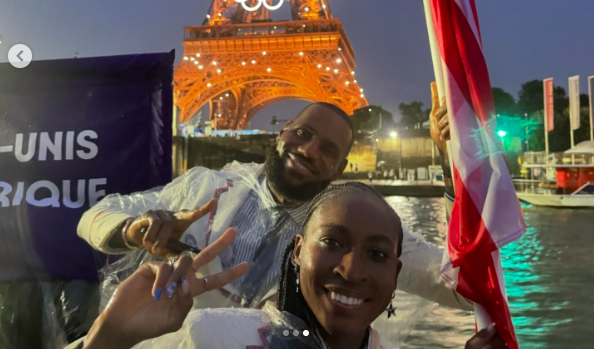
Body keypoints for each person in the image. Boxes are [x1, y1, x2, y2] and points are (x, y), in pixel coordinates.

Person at [78, 102, 471, 311]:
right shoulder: (206, 188)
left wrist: (457, 167)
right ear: (281, 133)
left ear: (341, 168)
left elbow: (462, 286)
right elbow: (93, 217)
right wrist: (138, 228)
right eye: (301, 133)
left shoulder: (356, 229)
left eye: (328, 149)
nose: (308, 150)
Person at [70, 184, 506, 349]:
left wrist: (458, 168)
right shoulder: (204, 337)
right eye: (332, 244)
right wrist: (112, 338)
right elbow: (96, 215)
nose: (352, 270)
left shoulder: (354, 212)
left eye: (376, 254)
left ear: (396, 271)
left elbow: (464, 278)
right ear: (298, 250)